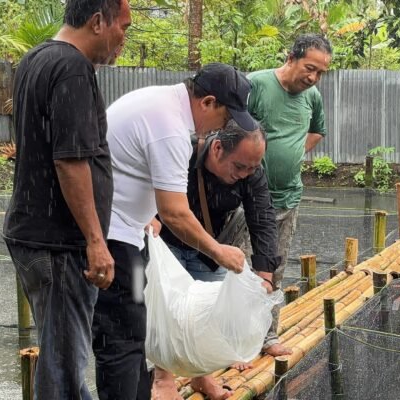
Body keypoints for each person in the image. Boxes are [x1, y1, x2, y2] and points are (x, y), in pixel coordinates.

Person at [92, 63, 260, 400]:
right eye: (225, 117)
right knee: (122, 342)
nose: (223, 127)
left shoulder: (160, 103)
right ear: (208, 102)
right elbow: (175, 213)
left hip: (124, 230)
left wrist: (147, 213)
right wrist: (219, 251)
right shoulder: (170, 128)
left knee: (131, 335)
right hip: (113, 236)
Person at [2, 1, 131, 399]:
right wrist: (95, 241)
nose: (124, 39)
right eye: (123, 27)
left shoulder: (37, 57)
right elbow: (70, 161)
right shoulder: (72, 68)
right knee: (62, 372)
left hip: (33, 232)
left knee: (62, 359)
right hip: (57, 243)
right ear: (97, 22)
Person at [156, 121, 279, 399]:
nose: (246, 174)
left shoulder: (251, 171)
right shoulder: (181, 152)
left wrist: (265, 274)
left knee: (210, 311)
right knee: (166, 309)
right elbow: (149, 189)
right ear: (218, 148)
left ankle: (201, 375)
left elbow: (262, 217)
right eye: (239, 167)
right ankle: (162, 379)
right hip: (169, 238)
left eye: (252, 168)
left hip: (214, 243)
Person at [246, 33, 333, 356]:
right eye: (309, 68)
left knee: (276, 269)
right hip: (248, 200)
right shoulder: (255, 85)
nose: (313, 77)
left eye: (320, 72)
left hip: (287, 198)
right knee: (240, 272)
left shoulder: (313, 97)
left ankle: (267, 337)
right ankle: (235, 342)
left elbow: (317, 131)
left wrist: (293, 153)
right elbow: (228, 131)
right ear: (291, 58)